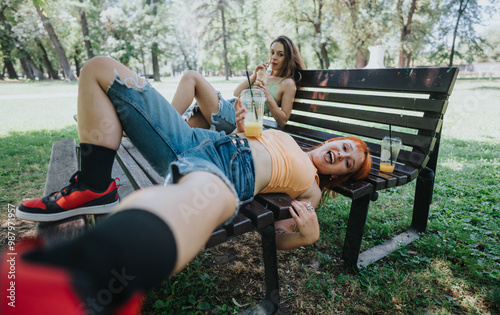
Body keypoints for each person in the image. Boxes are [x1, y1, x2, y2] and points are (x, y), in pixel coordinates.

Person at [3, 56, 371, 314]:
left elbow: (275, 234)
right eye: (342, 146)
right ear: (329, 142)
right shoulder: (287, 138)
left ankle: (80, 278)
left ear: (340, 175)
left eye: (348, 162)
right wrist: (242, 124)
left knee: (188, 200)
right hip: (199, 141)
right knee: (100, 69)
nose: (340, 154)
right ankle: (94, 184)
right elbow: (248, 135)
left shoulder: (312, 190)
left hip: (229, 175)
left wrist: (306, 236)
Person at [173, 35, 305, 133]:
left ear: (287, 57)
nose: (274, 57)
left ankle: (162, 119)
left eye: (280, 54)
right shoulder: (265, 76)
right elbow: (236, 93)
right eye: (272, 52)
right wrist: (254, 76)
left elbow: (283, 120)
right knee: (184, 129)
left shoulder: (288, 83)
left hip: (241, 119)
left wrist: (267, 95)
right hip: (232, 107)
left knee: (191, 76)